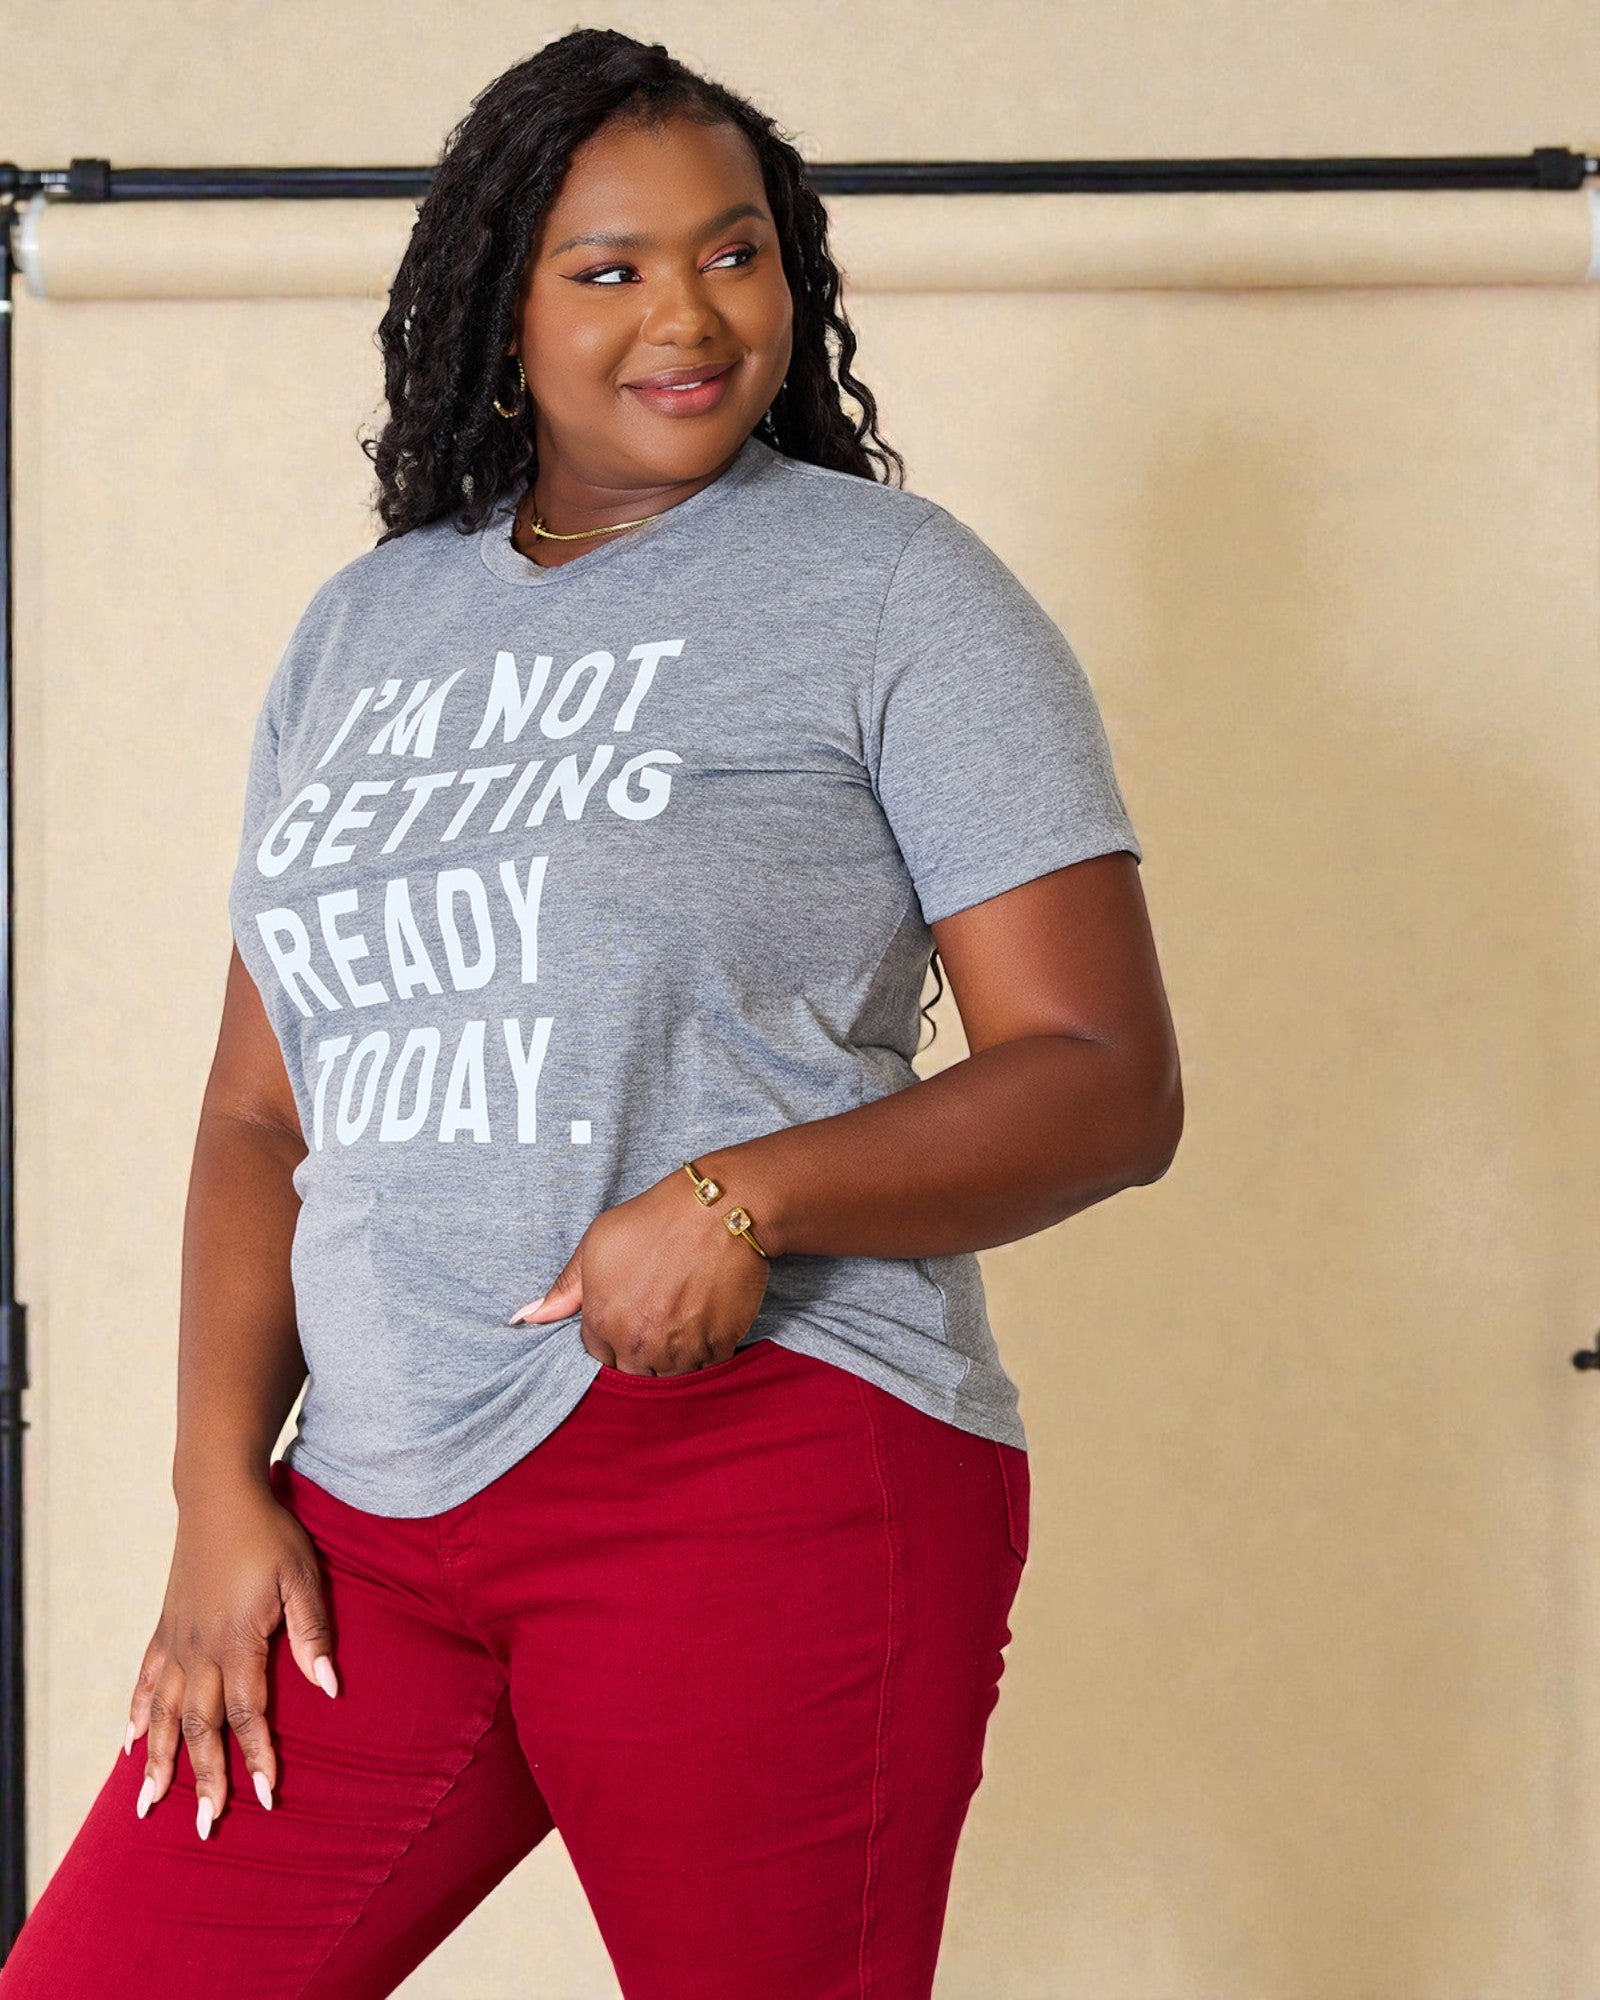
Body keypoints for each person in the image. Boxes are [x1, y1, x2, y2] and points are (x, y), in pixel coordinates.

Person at [0, 26, 1181, 2000]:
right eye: (608, 267)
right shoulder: (366, 629)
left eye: (733, 253)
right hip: (365, 1510)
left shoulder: (889, 590)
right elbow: (260, 1121)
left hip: (755, 1473)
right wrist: (221, 1490)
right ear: (500, 303)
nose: (690, 316)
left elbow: (1099, 1079)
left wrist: (746, 1195)